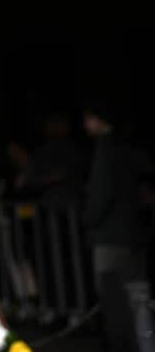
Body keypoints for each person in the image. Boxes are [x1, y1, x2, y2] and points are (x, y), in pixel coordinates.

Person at [82, 99, 145, 352]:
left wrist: (88, 220)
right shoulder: (126, 148)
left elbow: (101, 194)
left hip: (110, 237)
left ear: (98, 120)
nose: (85, 124)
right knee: (135, 300)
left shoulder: (105, 150)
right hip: (131, 235)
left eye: (88, 118)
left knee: (114, 302)